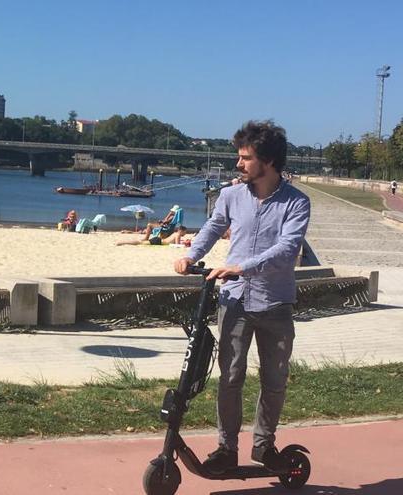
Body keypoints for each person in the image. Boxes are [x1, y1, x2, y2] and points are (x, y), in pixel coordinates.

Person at [173, 120, 310, 474]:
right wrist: (191, 255)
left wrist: (242, 267)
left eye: (245, 158)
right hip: (234, 302)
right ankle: (226, 448)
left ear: (268, 161)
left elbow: (287, 249)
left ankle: (264, 446)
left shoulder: (296, 203)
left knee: (274, 380)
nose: (239, 164)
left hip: (276, 303)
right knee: (230, 376)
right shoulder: (231, 195)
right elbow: (213, 226)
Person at [116, 225, 187, 246]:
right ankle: (121, 242)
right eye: (185, 232)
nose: (185, 234)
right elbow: (177, 245)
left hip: (159, 240)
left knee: (140, 242)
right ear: (181, 231)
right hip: (158, 241)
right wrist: (185, 244)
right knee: (139, 243)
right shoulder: (178, 235)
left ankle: (122, 242)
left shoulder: (175, 233)